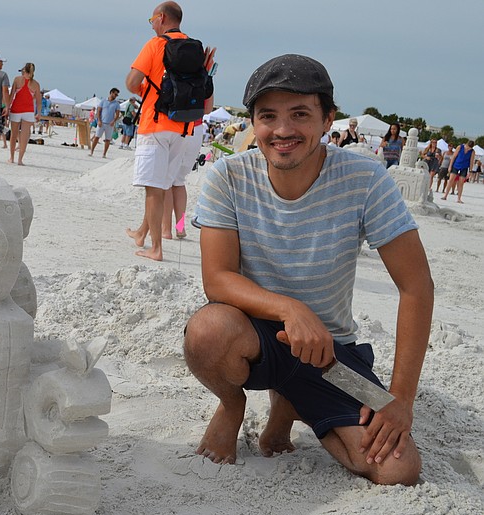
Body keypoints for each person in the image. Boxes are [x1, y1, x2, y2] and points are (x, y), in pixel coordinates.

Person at [184, 54, 433, 486]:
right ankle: (231, 404)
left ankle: (292, 404)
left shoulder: (366, 180)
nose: (283, 131)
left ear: (327, 120)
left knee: (397, 468)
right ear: (254, 123)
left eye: (300, 114)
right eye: (268, 117)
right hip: (253, 337)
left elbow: (416, 287)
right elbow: (217, 278)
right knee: (207, 330)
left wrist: (401, 400)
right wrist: (289, 309)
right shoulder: (227, 176)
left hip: (331, 353)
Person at [125, 2, 214, 261]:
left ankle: (156, 248)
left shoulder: (155, 45)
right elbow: (207, 99)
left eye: (152, 19)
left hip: (155, 123)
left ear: (162, 18)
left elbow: (131, 82)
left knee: (153, 188)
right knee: (170, 184)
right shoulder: (195, 49)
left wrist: (145, 90)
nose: (151, 24)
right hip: (185, 127)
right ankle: (163, 229)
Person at [7, 62, 41, 166]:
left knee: (14, 135)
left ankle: (12, 158)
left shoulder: (17, 79)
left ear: (24, 71)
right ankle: (20, 160)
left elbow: (11, 95)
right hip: (28, 111)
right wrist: (38, 113)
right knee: (24, 137)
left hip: (16, 109)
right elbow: (38, 101)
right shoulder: (36, 84)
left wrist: (7, 108)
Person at [89, 88, 121, 158]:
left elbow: (117, 114)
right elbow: (99, 111)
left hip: (110, 124)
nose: (116, 96)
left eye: (117, 95)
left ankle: (104, 154)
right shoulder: (103, 101)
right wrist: (99, 121)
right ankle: (91, 151)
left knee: (108, 139)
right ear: (111, 93)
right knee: (97, 137)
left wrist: (114, 121)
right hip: (102, 122)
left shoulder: (116, 104)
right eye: (115, 94)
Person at [443, 139, 475, 204]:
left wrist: (470, 171)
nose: (468, 149)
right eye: (468, 147)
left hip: (464, 167)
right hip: (456, 165)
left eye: (470, 148)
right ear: (466, 144)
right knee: (451, 180)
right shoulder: (460, 147)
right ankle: (445, 195)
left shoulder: (472, 151)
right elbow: (454, 157)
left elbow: (471, 161)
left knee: (461, 183)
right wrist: (450, 166)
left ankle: (459, 198)